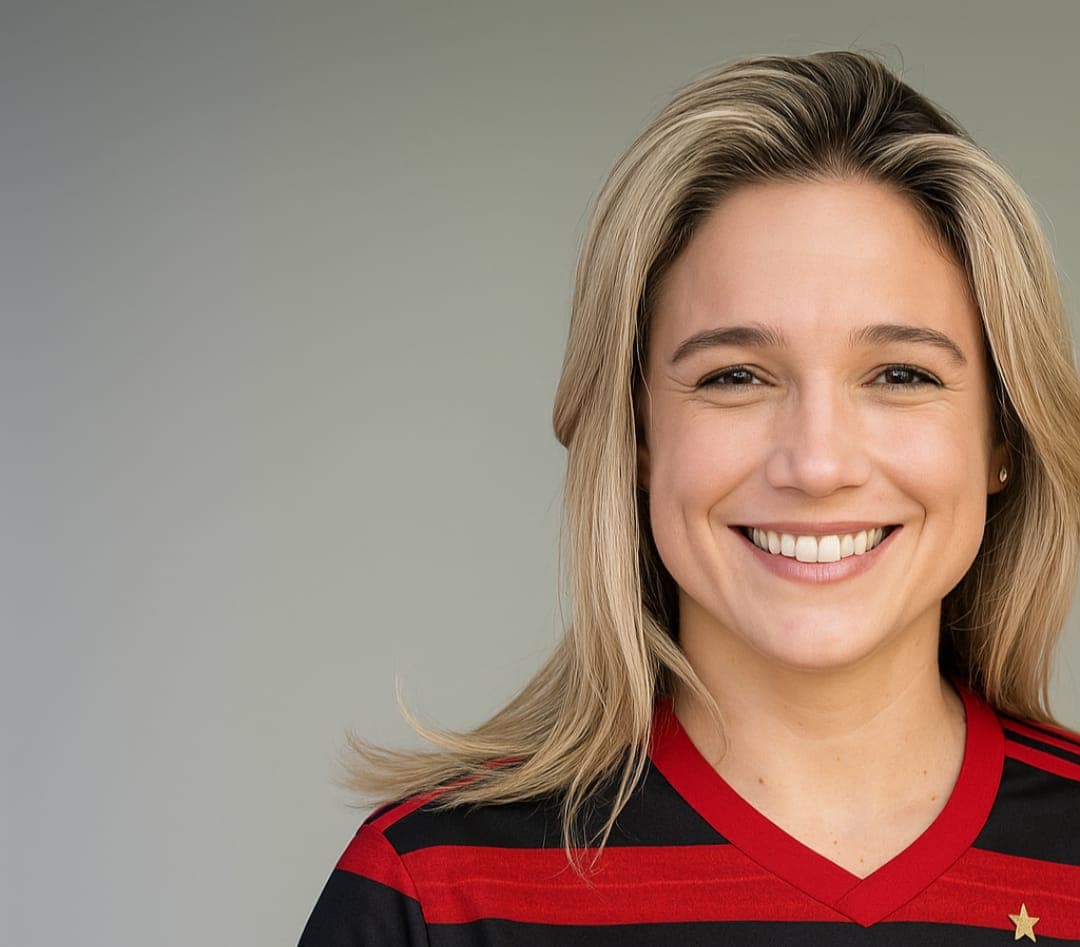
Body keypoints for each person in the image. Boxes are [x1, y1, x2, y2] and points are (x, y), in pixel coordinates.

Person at [298, 49, 1080, 944]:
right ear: (635, 435)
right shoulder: (437, 893)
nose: (817, 463)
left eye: (901, 374)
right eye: (735, 375)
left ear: (1002, 437)